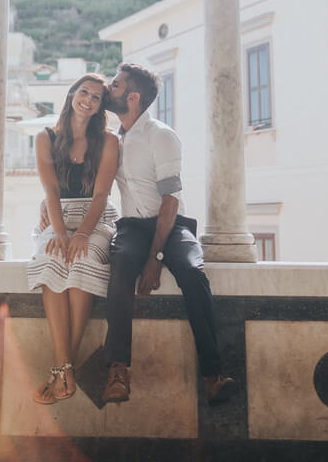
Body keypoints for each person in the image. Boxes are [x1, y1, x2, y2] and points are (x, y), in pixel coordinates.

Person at [101, 62, 236, 407]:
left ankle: (213, 375)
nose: (107, 88)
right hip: (131, 226)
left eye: (114, 85)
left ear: (132, 97)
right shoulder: (113, 142)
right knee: (119, 269)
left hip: (170, 225)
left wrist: (155, 259)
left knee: (192, 273)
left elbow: (169, 202)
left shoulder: (161, 136)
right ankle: (118, 371)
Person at [28, 73, 119, 404]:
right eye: (84, 92)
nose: (89, 100)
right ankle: (67, 370)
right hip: (58, 215)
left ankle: (60, 369)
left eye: (97, 98)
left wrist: (81, 234)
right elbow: (51, 189)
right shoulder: (45, 138)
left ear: (100, 107)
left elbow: (101, 195)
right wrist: (61, 231)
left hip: (95, 218)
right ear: (71, 94)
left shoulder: (109, 141)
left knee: (81, 257)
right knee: (52, 256)